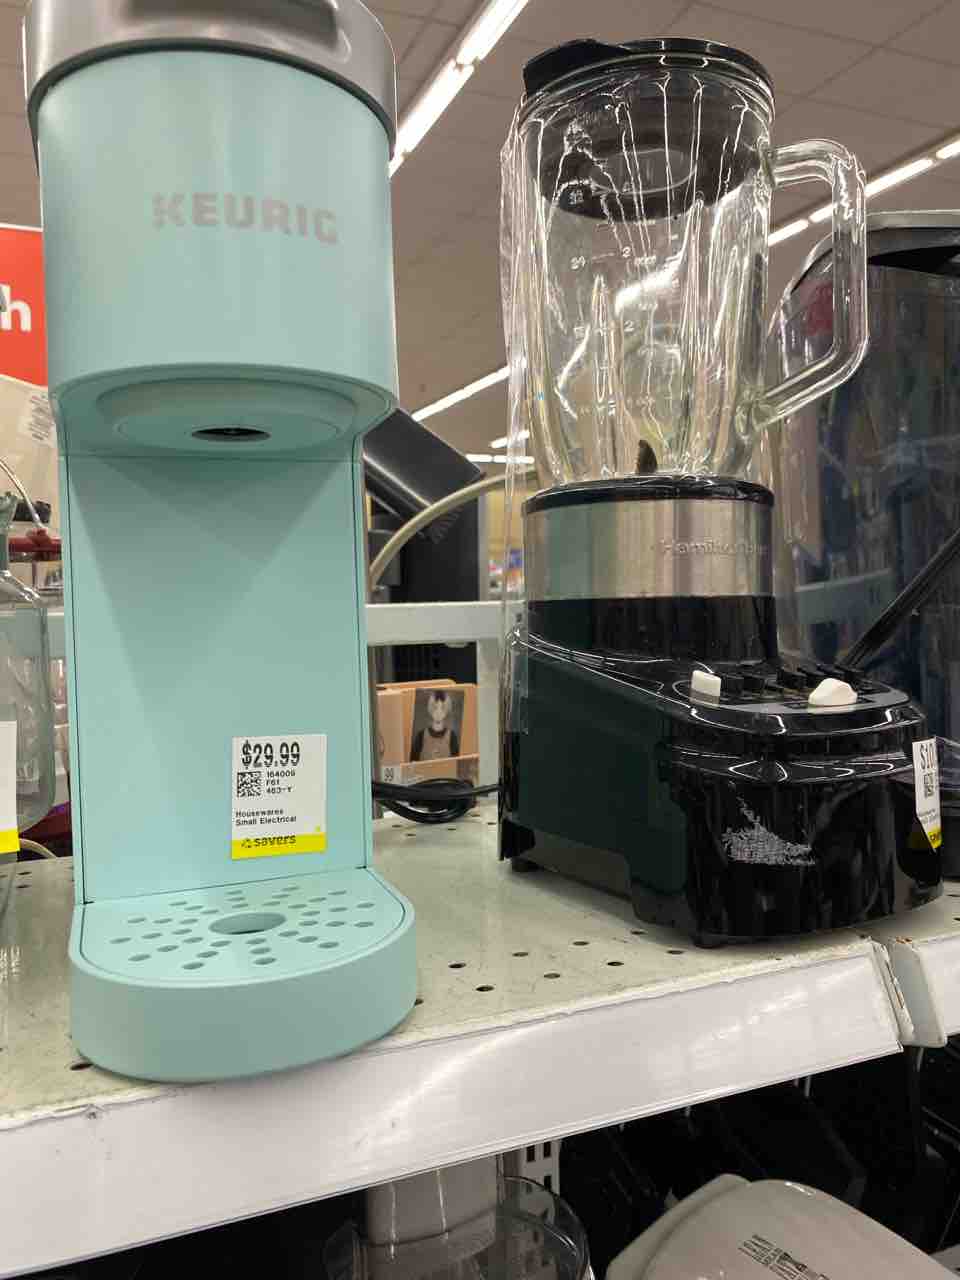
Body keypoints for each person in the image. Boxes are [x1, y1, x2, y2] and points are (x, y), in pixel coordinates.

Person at [411, 689, 460, 762]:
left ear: (447, 710)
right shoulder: (421, 736)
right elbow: (413, 762)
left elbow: (456, 763)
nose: (438, 712)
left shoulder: (452, 736)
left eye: (442, 708)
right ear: (430, 709)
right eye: (435, 708)